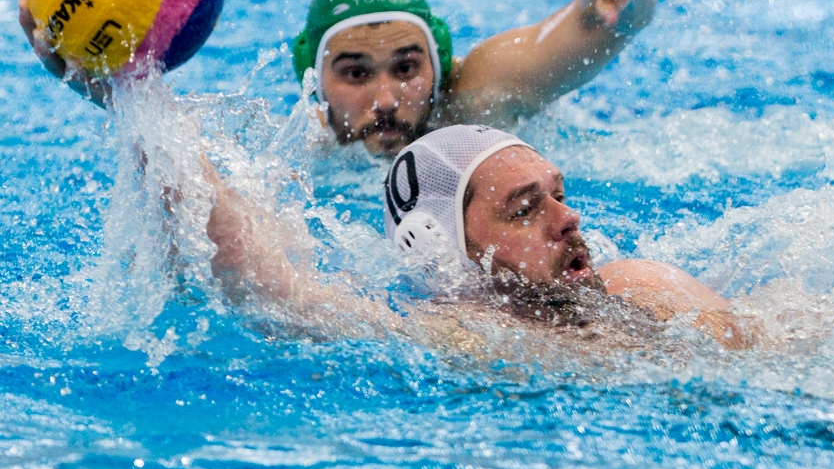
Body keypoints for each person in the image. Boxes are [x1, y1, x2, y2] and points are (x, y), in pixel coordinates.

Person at [204, 123, 754, 353]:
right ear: (442, 249)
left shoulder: (644, 284)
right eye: (524, 209)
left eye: (559, 194)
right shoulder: (463, 339)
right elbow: (271, 287)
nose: (569, 218)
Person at [290, 0, 660, 155]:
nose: (385, 100)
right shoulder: (296, 153)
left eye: (405, 69)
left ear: (437, 65)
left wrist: (619, 5)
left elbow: (573, 37)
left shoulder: (471, 103)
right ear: (314, 80)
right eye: (356, 74)